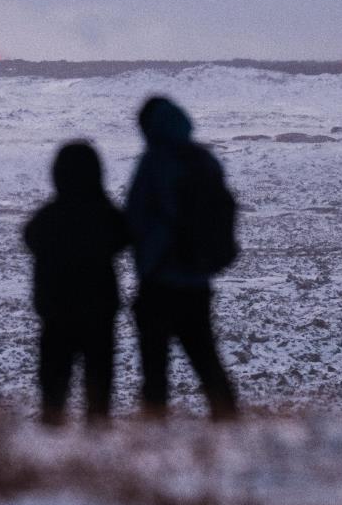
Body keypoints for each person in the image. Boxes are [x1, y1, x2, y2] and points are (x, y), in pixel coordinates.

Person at [125, 95, 239, 421]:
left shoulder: (154, 162)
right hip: (198, 279)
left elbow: (135, 217)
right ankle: (229, 425)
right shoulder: (205, 161)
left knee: (155, 367)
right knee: (206, 359)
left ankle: (154, 432)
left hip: (159, 278)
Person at [23, 141, 128, 426]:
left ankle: (52, 431)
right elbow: (123, 235)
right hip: (99, 310)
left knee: (54, 380)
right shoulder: (104, 213)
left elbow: (30, 237)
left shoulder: (50, 216)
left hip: (56, 312)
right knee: (99, 378)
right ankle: (97, 432)